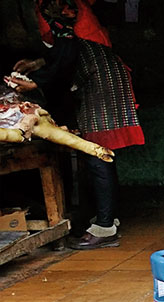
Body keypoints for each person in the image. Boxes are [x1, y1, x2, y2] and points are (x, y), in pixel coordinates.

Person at [11, 0, 144, 250]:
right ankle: (108, 217)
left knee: (97, 153)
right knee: (100, 154)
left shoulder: (63, 26)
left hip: (101, 86)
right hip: (103, 80)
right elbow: (60, 57)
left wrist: (36, 83)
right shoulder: (65, 28)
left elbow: (63, 63)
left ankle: (105, 228)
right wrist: (37, 65)